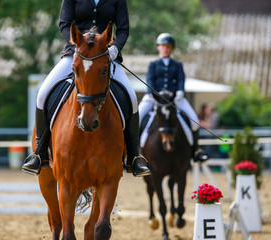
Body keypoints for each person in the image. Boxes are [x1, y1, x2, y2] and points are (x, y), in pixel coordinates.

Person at [22, 0, 151, 177]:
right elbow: (64, 24)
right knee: (43, 94)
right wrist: (77, 43)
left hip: (104, 56)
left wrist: (115, 47)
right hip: (76, 54)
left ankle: (134, 156)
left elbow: (123, 29)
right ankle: (40, 153)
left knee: (131, 98)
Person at [138, 33, 208, 163]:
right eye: (163, 46)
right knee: (136, 118)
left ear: (172, 49)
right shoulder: (153, 64)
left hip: (174, 98)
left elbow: (181, 79)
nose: (165, 49)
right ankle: (134, 153)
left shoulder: (177, 65)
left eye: (168, 46)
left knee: (194, 121)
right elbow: (150, 80)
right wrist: (153, 94)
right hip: (154, 98)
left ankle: (196, 151)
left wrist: (180, 91)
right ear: (159, 47)